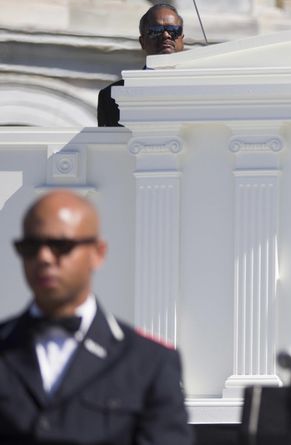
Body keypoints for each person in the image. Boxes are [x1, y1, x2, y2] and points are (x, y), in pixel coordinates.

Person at [0, 190, 193, 444]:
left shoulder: (148, 363)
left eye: (61, 246)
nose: (44, 258)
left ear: (98, 253)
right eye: (30, 247)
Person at [97, 3, 185, 127]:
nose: (166, 35)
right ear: (142, 42)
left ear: (182, 39)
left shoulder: (203, 87)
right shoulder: (110, 97)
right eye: (156, 31)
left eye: (174, 30)